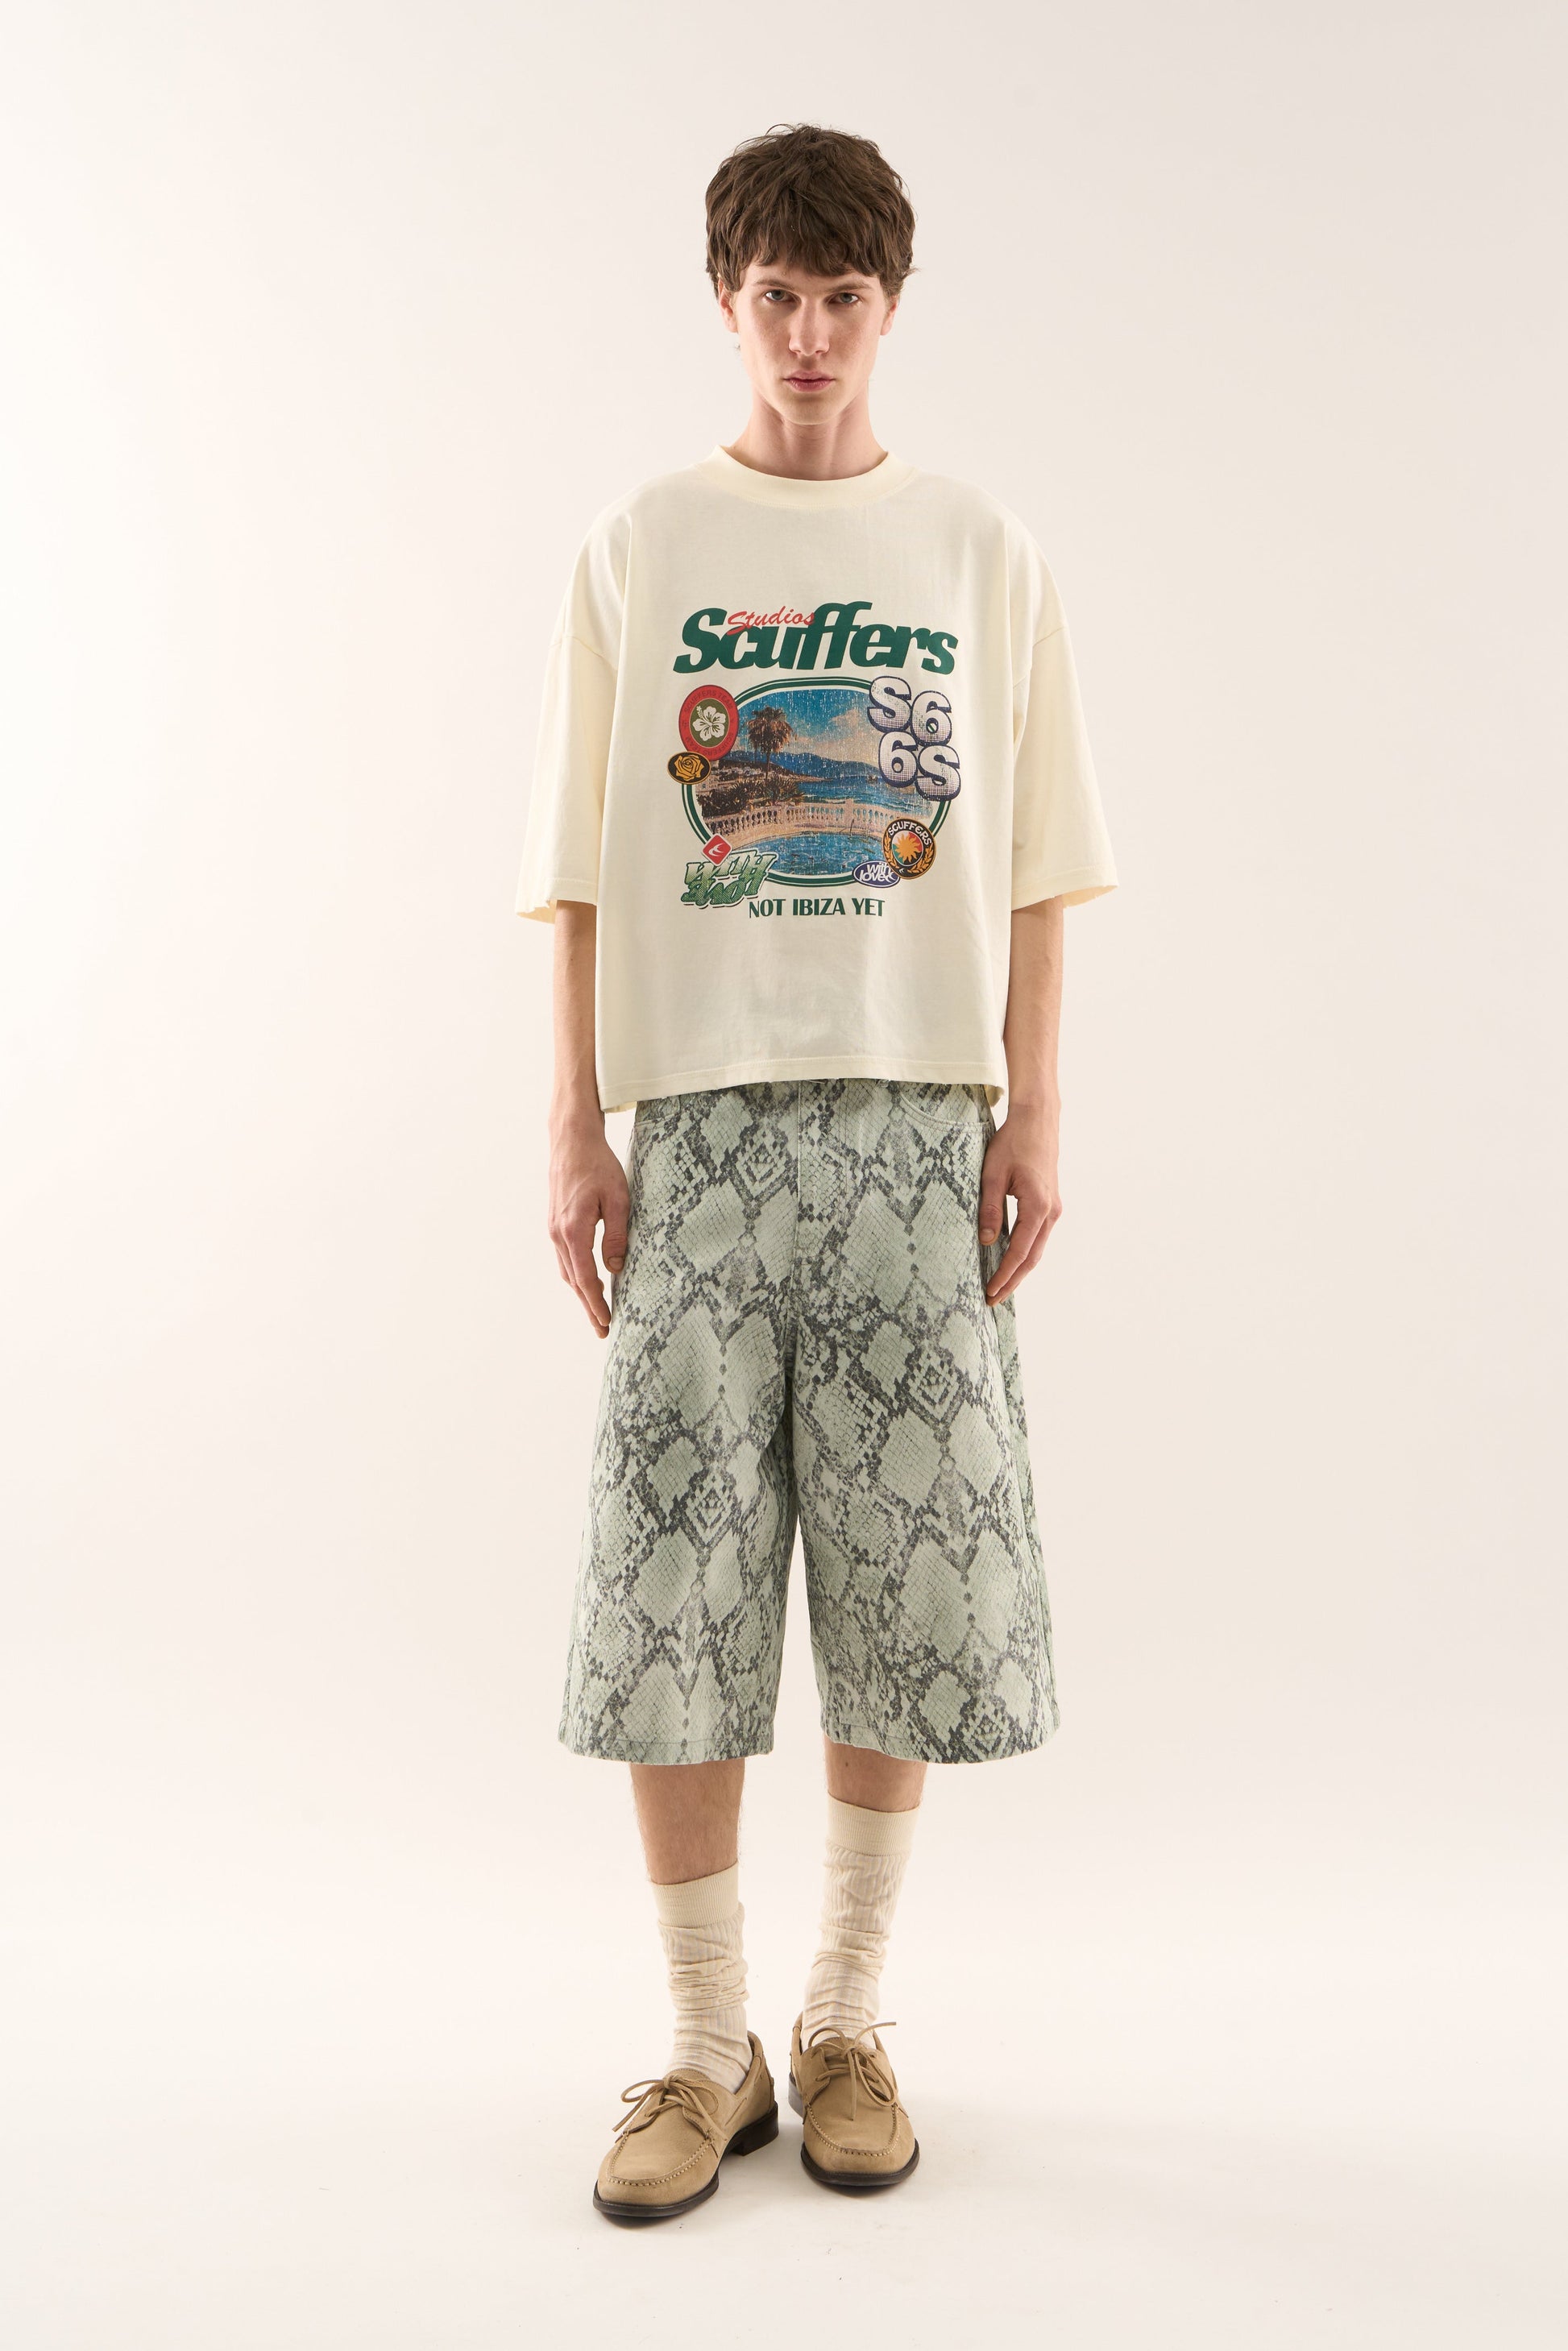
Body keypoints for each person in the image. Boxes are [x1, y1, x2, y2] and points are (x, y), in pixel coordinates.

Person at [515, 121, 1117, 2224]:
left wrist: (1034, 1109)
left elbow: (1036, 865)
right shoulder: (641, 543)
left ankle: (848, 2018)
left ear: (889, 306)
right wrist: (574, 1121)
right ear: (724, 299)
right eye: (772, 295)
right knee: (669, 1581)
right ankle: (706, 2046)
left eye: (841, 297)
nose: (805, 336)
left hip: (914, 1124)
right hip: (694, 1130)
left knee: (905, 1581)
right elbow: (575, 867)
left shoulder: (977, 548)